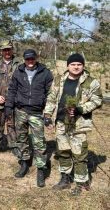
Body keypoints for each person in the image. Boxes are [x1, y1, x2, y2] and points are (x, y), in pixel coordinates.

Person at [44, 53, 102, 195]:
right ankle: (65, 179)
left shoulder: (91, 82)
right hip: (61, 122)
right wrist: (47, 115)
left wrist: (80, 109)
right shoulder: (59, 80)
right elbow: (52, 98)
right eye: (73, 64)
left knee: (79, 154)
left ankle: (81, 183)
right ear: (68, 66)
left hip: (79, 124)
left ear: (83, 66)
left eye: (79, 64)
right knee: (63, 152)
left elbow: (97, 100)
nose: (76, 67)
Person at [4, 49, 53, 187]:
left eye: (32, 59)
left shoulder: (45, 73)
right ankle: (24, 163)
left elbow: (51, 93)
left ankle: (41, 169)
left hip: (37, 112)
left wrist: (48, 113)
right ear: (24, 60)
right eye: (27, 59)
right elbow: (12, 90)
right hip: (21, 111)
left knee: (39, 142)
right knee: (22, 139)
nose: (30, 62)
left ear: (36, 58)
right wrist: (9, 106)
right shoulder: (18, 72)